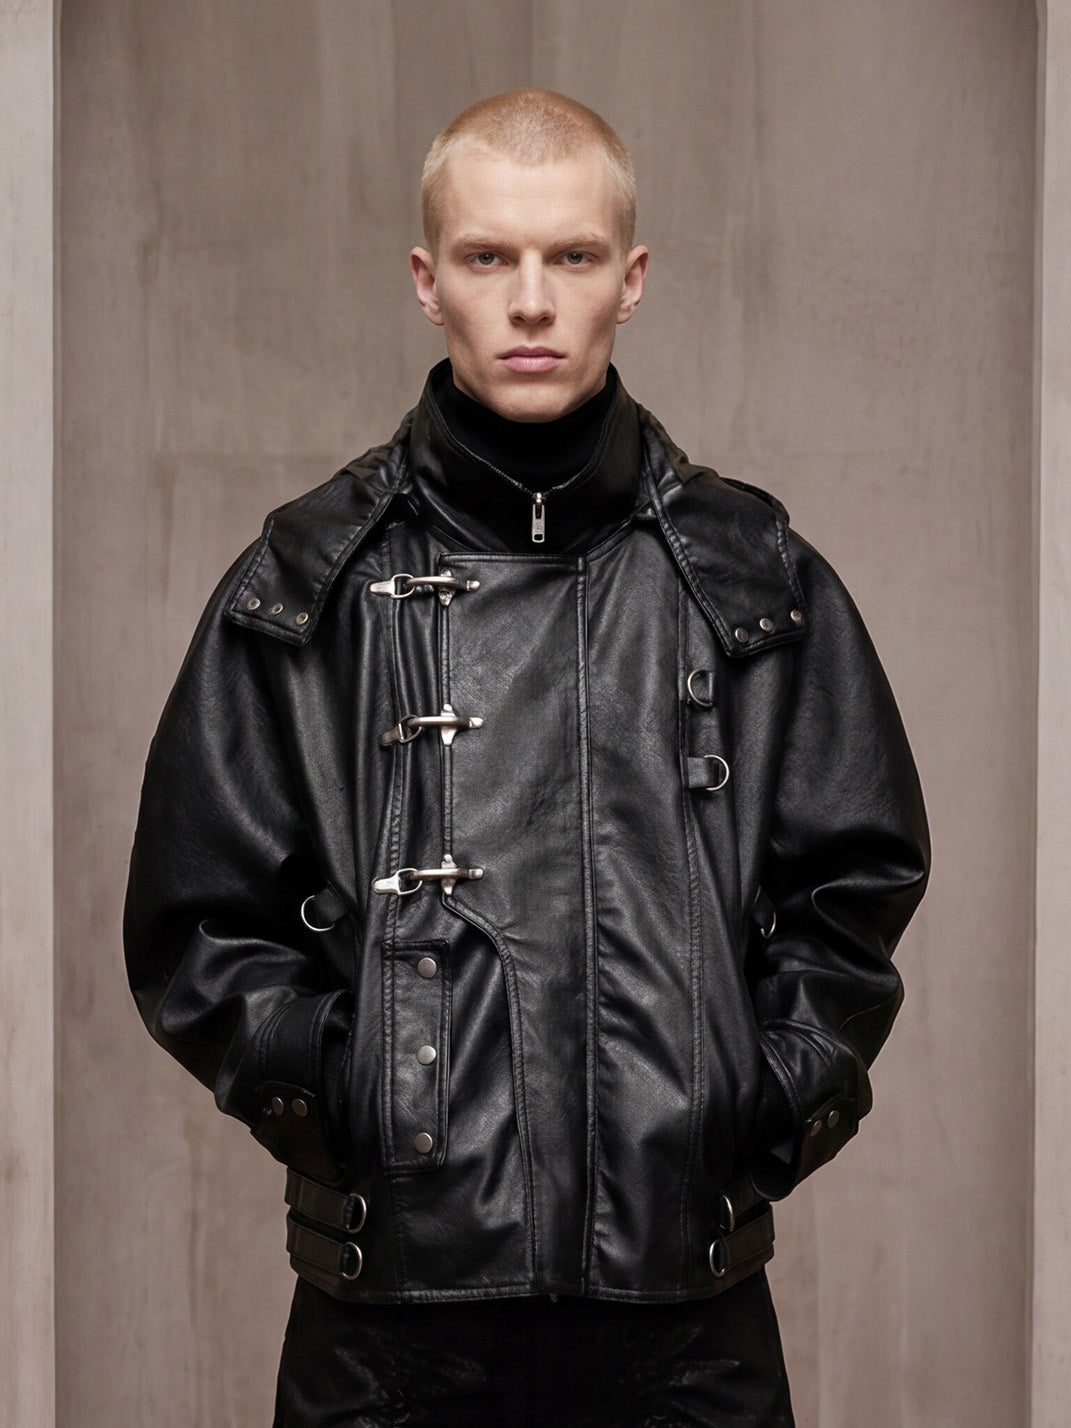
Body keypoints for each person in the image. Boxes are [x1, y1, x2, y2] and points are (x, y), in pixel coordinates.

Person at [125, 89, 929, 1427]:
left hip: (685, 1312)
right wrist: (347, 1085)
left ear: (633, 279)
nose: (533, 302)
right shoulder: (309, 582)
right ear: (428, 282)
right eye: (490, 257)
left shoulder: (751, 579)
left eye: (574, 256)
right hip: (392, 1322)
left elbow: (860, 880)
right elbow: (194, 919)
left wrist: (756, 1092)